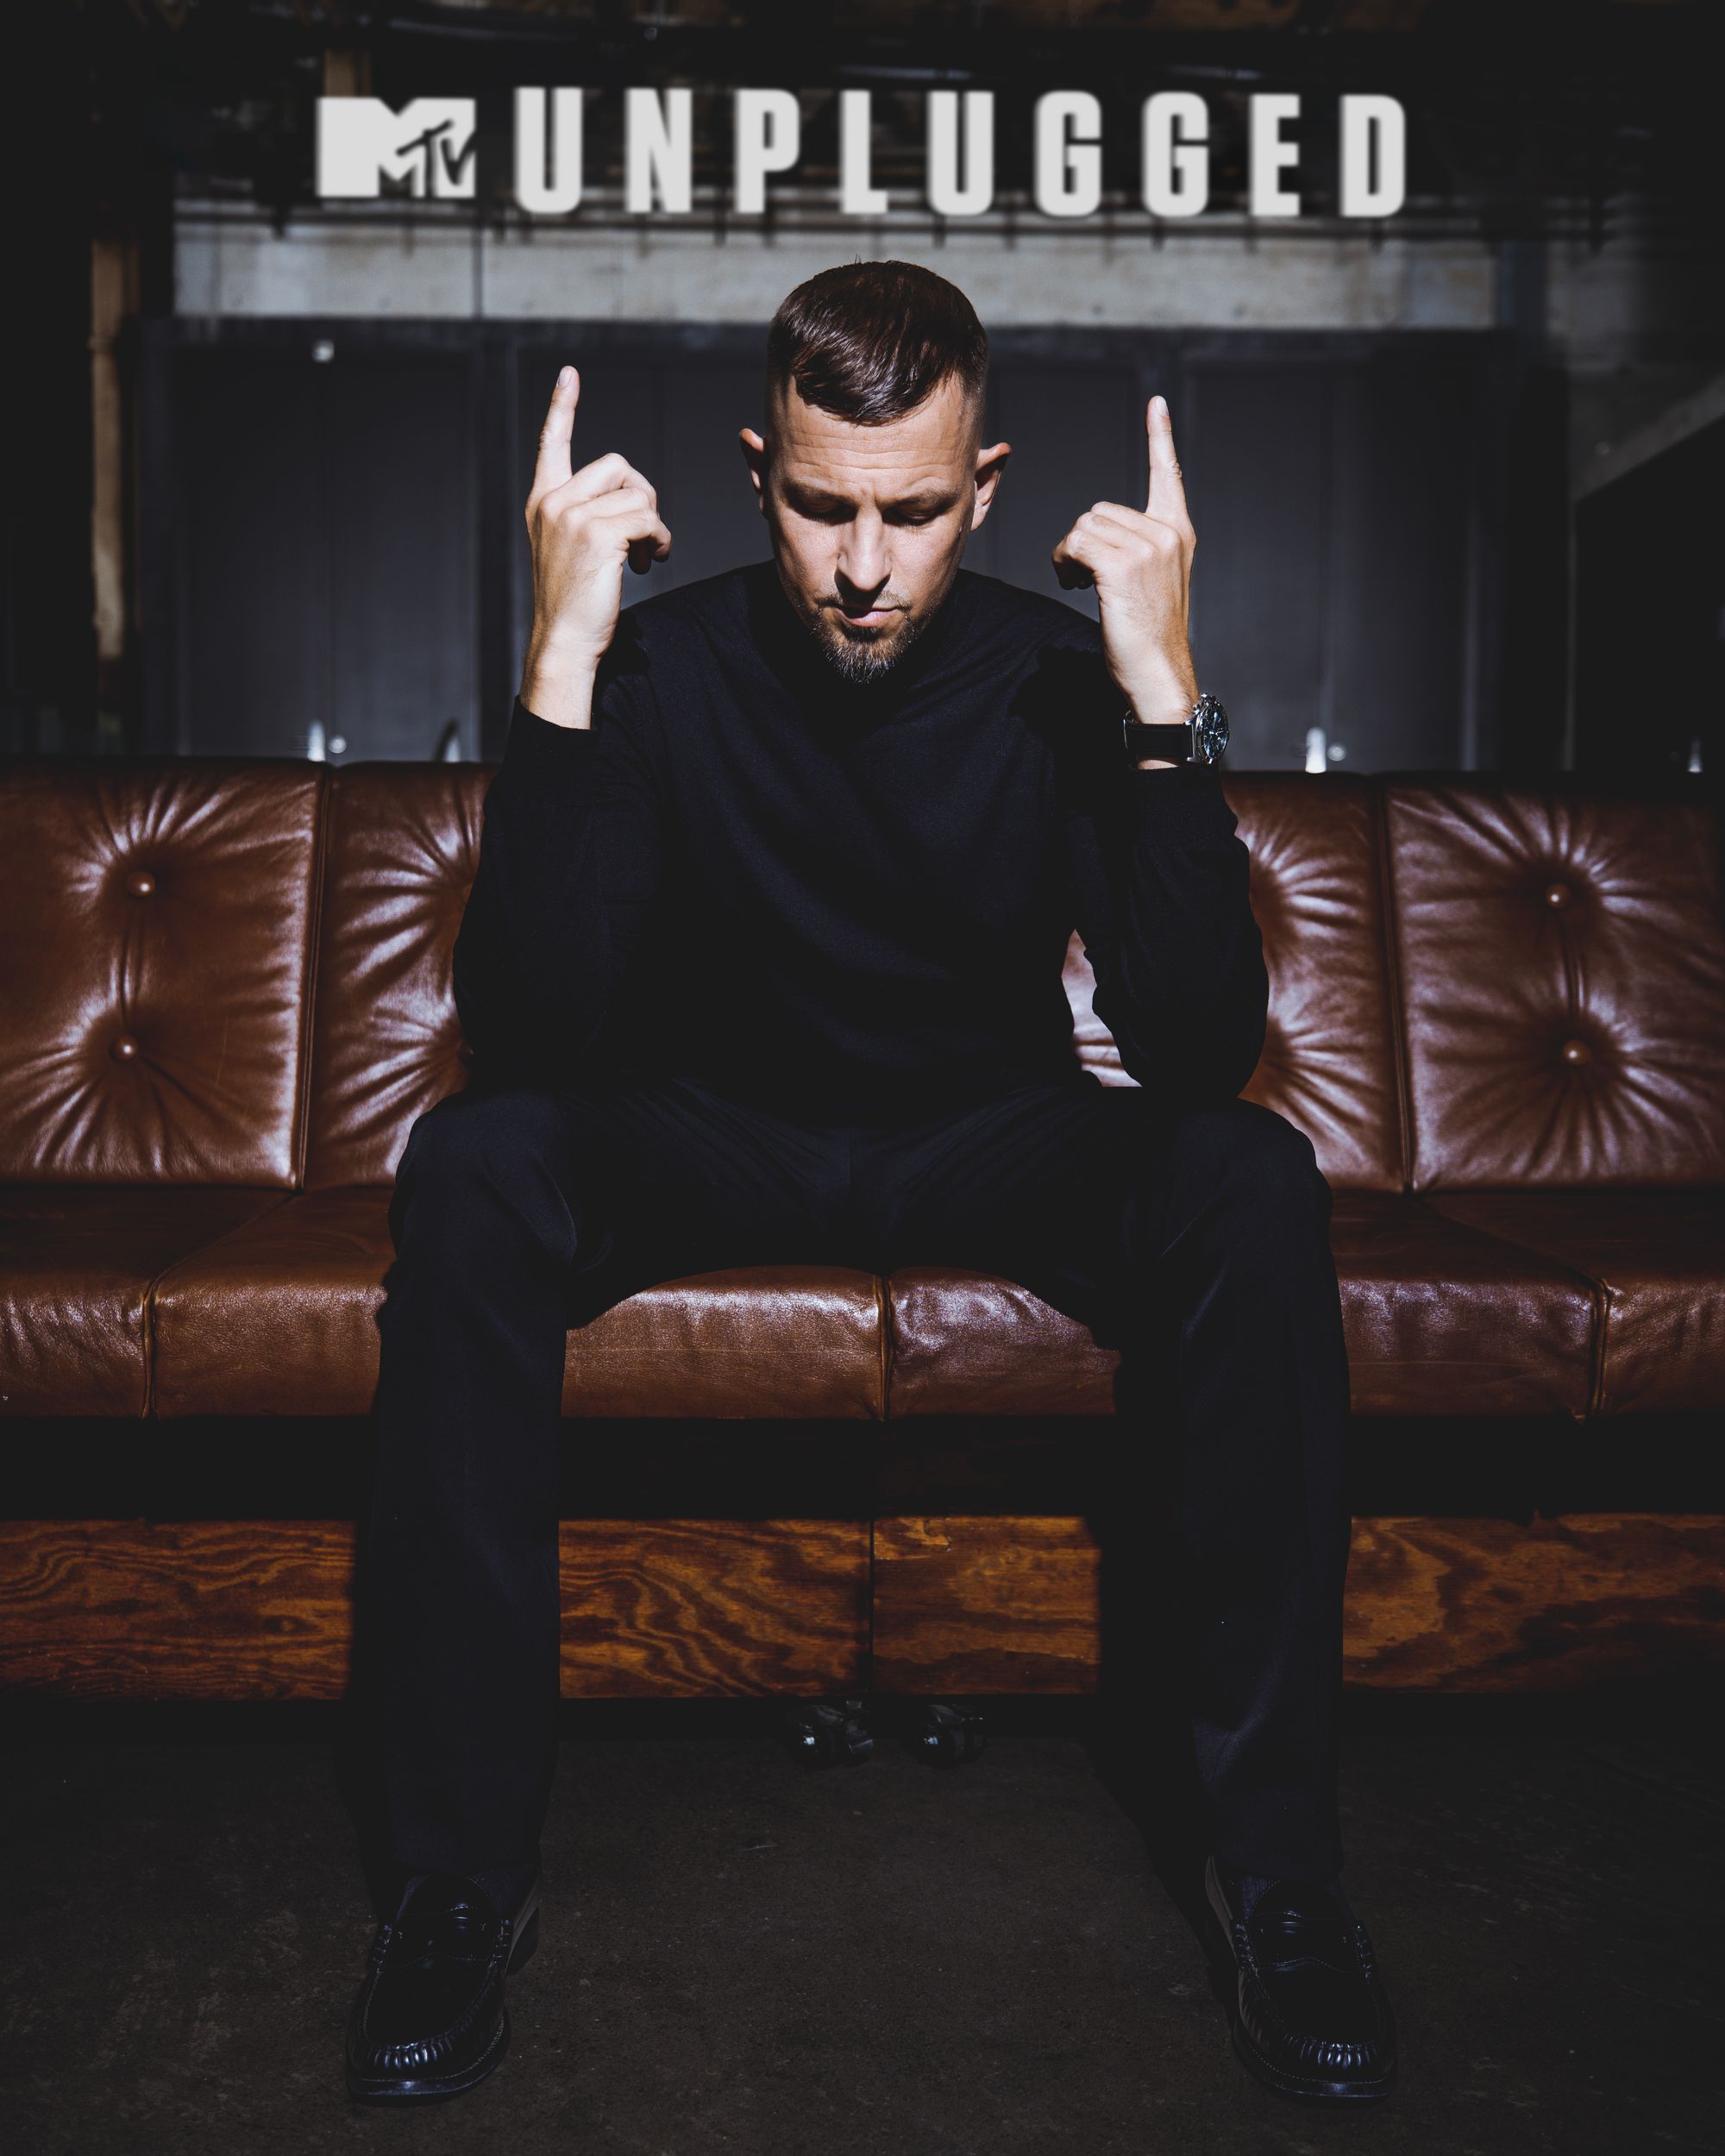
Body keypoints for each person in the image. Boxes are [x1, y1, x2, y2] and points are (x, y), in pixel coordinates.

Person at [343, 260, 1396, 2108]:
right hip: (707, 1125)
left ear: (983, 488)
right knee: (479, 1157)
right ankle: (453, 1882)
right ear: (758, 473)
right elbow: (531, 1026)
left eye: (910, 514)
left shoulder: (1060, 678)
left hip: (985, 1129)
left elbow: (1192, 1048)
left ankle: (1282, 1876)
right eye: (822, 506)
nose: (861, 565)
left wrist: (1164, 690)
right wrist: (559, 661)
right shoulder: (655, 667)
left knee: (1248, 1174)